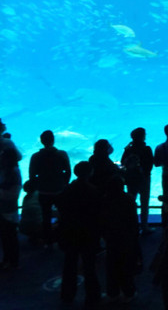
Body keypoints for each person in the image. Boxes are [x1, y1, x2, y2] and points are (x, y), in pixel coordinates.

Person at [55, 161, 102, 308]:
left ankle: (67, 295)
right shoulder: (93, 190)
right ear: (90, 173)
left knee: (69, 264)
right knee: (89, 266)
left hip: (70, 232)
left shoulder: (67, 189)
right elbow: (98, 213)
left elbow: (59, 206)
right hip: (88, 233)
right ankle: (92, 297)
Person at [28, 129, 70, 246]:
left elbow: (32, 174)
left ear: (42, 141)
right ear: (53, 140)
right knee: (63, 214)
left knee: (45, 216)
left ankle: (48, 241)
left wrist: (37, 186)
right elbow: (68, 171)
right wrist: (64, 184)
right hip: (59, 190)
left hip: (43, 191)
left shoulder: (35, 156)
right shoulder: (62, 154)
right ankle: (63, 239)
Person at [100, 176, 139, 302]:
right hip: (126, 238)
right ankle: (128, 292)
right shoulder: (129, 199)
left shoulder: (105, 200)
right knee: (126, 265)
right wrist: (134, 236)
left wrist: (104, 235)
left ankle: (113, 293)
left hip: (111, 238)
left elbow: (102, 220)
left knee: (111, 266)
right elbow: (133, 220)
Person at [121, 127, 155, 233]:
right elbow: (150, 164)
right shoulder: (146, 149)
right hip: (144, 179)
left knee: (131, 202)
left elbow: (123, 163)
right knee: (144, 203)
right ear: (142, 136)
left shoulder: (128, 149)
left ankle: (131, 225)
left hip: (131, 179)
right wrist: (145, 173)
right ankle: (144, 226)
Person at [0, 147, 22, 270]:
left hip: (9, 209)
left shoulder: (14, 172)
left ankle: (13, 262)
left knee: (10, 236)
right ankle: (7, 259)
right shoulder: (5, 170)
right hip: (4, 209)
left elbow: (14, 194)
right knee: (5, 236)